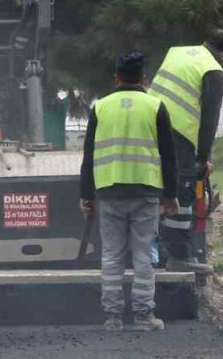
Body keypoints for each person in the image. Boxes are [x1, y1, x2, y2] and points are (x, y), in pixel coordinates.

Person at [80, 53, 179, 332]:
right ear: (144, 79)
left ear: (116, 78)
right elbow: (169, 156)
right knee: (143, 255)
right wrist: (170, 195)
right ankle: (143, 316)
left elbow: (88, 156)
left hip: (109, 191)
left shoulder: (100, 107)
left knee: (111, 255)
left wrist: (86, 195)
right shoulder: (155, 106)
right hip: (145, 192)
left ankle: (112, 318)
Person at [149, 29, 223, 275]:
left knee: (152, 186)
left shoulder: (176, 52)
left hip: (149, 123)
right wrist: (203, 158)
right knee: (183, 192)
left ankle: (150, 247)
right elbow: (210, 120)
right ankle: (178, 255)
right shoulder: (213, 71)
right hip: (178, 132)